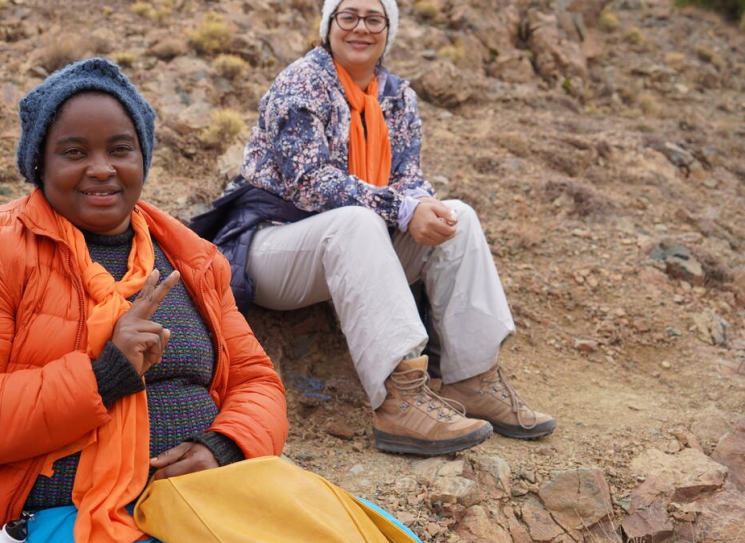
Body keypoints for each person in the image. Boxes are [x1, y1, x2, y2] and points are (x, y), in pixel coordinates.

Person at [0, 58, 289, 543]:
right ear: (40, 164)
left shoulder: (191, 256)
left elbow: (256, 381)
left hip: (201, 501)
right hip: (44, 516)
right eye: (74, 151)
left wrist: (224, 447)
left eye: (120, 149)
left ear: (142, 158)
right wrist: (104, 375)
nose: (101, 169)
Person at [190, 0, 556, 457]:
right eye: (348, 16)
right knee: (357, 221)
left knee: (458, 218)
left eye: (374, 18)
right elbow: (309, 184)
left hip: (355, 245)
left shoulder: (397, 95)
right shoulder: (301, 82)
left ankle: (471, 380)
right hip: (273, 243)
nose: (360, 27)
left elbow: (407, 176)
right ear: (329, 25)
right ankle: (400, 402)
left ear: (389, 29)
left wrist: (422, 204)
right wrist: (402, 210)